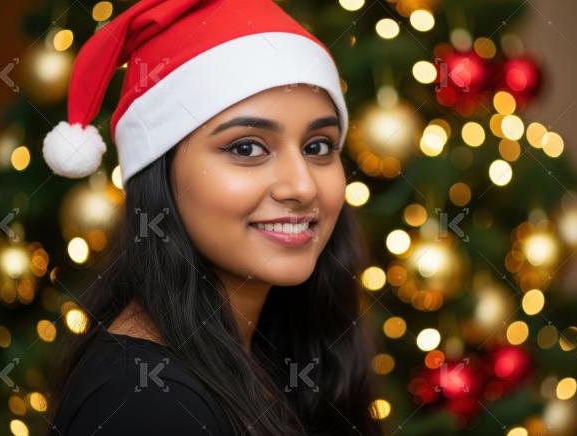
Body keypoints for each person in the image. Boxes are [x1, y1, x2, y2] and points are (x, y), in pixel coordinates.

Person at [42, 0, 384, 435]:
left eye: (318, 146)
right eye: (246, 148)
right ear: (159, 173)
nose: (302, 187)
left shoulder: (276, 351)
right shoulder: (145, 404)